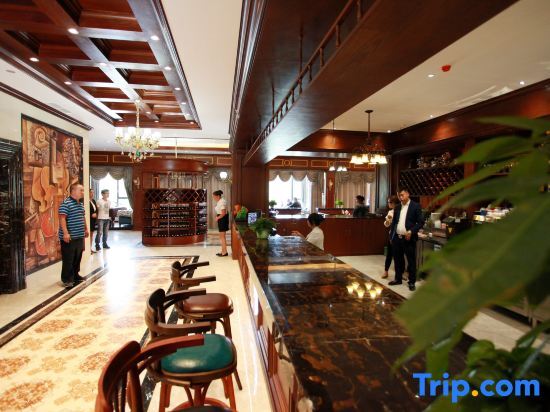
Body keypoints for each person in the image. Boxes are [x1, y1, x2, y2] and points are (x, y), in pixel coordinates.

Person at [389, 188, 425, 291]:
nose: (401, 197)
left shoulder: (415, 206)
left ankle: (412, 282)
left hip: (408, 238)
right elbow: (394, 223)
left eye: (402, 195)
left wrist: (411, 231)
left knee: (411, 260)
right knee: (397, 260)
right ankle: (398, 278)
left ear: (408, 194)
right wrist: (391, 236)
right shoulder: (398, 207)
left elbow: (420, 222)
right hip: (397, 237)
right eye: (399, 195)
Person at [58, 183, 89, 288]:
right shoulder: (66, 204)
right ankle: (67, 279)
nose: (83, 192)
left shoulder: (80, 204)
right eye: (81, 190)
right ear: (73, 191)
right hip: (69, 237)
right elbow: (62, 219)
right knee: (68, 259)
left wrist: (85, 229)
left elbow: (82, 217)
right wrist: (65, 233)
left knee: (77, 257)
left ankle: (75, 275)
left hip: (79, 236)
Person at [382, 195, 399, 279]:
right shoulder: (390, 212)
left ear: (394, 203)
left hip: (399, 235)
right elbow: (386, 225)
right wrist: (388, 221)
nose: (388, 204)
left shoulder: (400, 211)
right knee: (389, 254)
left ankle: (399, 273)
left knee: (398, 255)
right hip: (391, 235)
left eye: (389, 202)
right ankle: (386, 271)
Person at [213, 190, 229, 256]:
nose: (213, 198)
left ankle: (224, 252)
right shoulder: (220, 201)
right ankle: (223, 251)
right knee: (222, 236)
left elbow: (223, 213)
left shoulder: (222, 202)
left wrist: (217, 218)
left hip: (223, 219)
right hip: (222, 219)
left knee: (222, 236)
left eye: (214, 196)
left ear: (218, 196)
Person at [89, 189, 97, 254]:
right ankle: (88, 250)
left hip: (93, 220)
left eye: (93, 192)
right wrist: (91, 215)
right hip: (89, 219)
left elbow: (96, 210)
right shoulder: (86, 201)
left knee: (91, 234)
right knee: (89, 235)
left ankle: (90, 248)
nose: (92, 194)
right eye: (91, 192)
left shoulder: (93, 201)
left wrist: (96, 214)